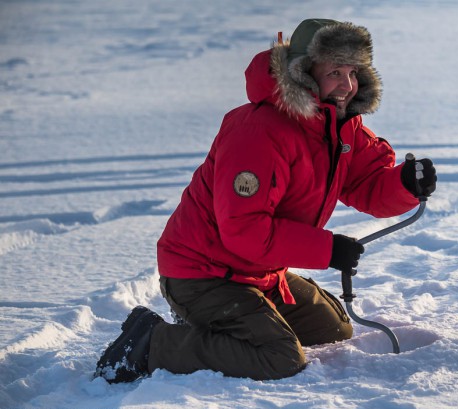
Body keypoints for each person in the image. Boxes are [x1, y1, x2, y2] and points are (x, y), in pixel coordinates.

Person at [95, 18, 437, 383]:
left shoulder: (338, 125)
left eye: (353, 72)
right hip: (202, 272)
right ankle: (151, 343)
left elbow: (368, 183)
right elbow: (244, 230)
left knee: (333, 329)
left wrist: (404, 184)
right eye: (335, 71)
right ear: (303, 72)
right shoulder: (258, 131)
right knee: (279, 358)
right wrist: (327, 250)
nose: (348, 85)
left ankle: (236, 319)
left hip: (258, 271)